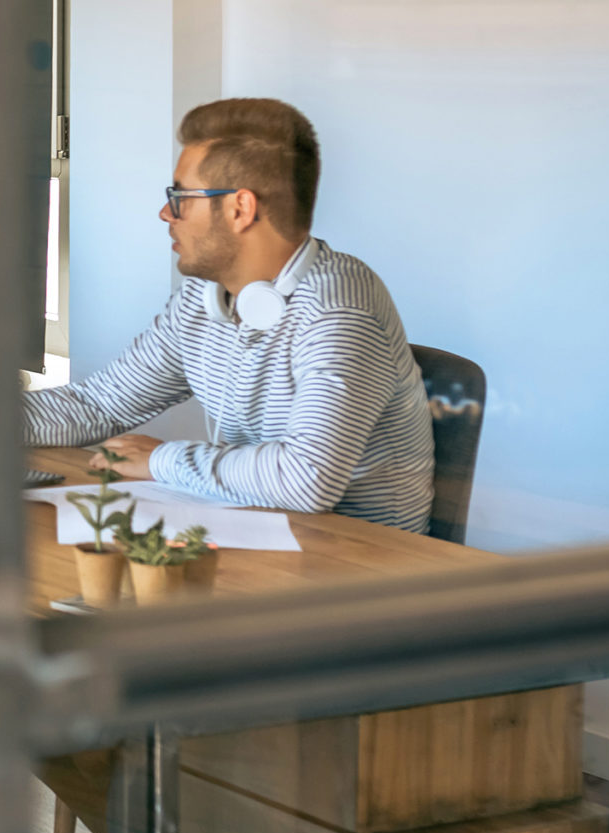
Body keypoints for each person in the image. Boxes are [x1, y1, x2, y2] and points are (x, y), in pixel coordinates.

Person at [24, 98, 434, 532]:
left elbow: (306, 478)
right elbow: (97, 405)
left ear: (240, 208)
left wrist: (161, 460)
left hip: (367, 567)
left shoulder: (340, 311)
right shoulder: (204, 297)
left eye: (180, 197)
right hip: (258, 534)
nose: (166, 214)